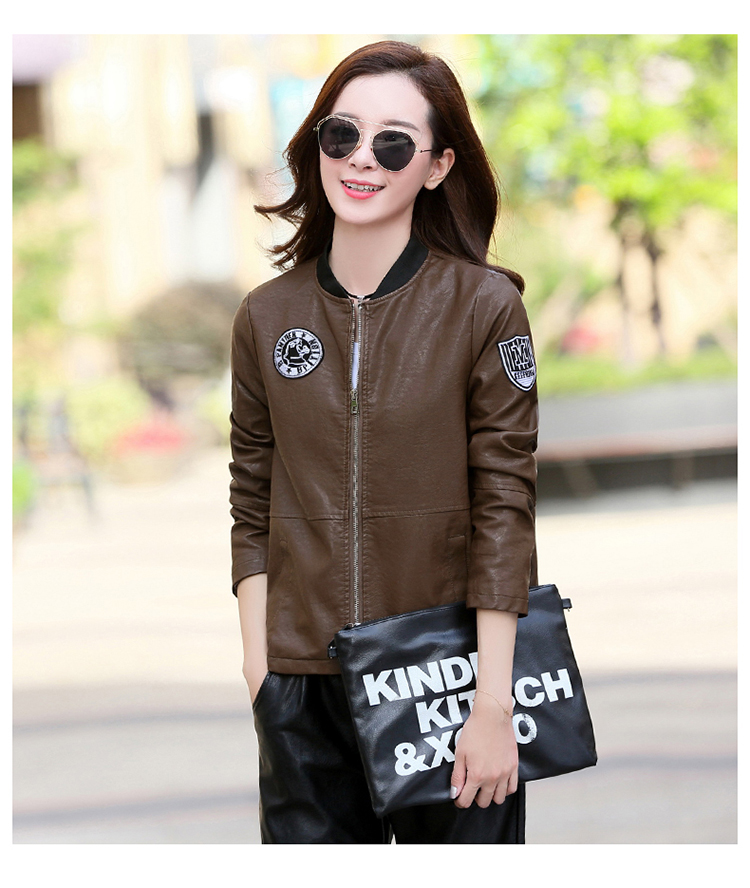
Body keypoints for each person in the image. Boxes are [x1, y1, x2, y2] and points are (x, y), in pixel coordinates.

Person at [229, 40, 538, 844]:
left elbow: (504, 505)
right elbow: (251, 498)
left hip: (449, 677)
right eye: (343, 134)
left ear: (437, 166)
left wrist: (493, 702)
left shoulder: (483, 307)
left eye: (394, 143)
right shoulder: (266, 316)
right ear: (317, 146)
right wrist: (262, 675)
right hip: (303, 686)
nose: (361, 158)